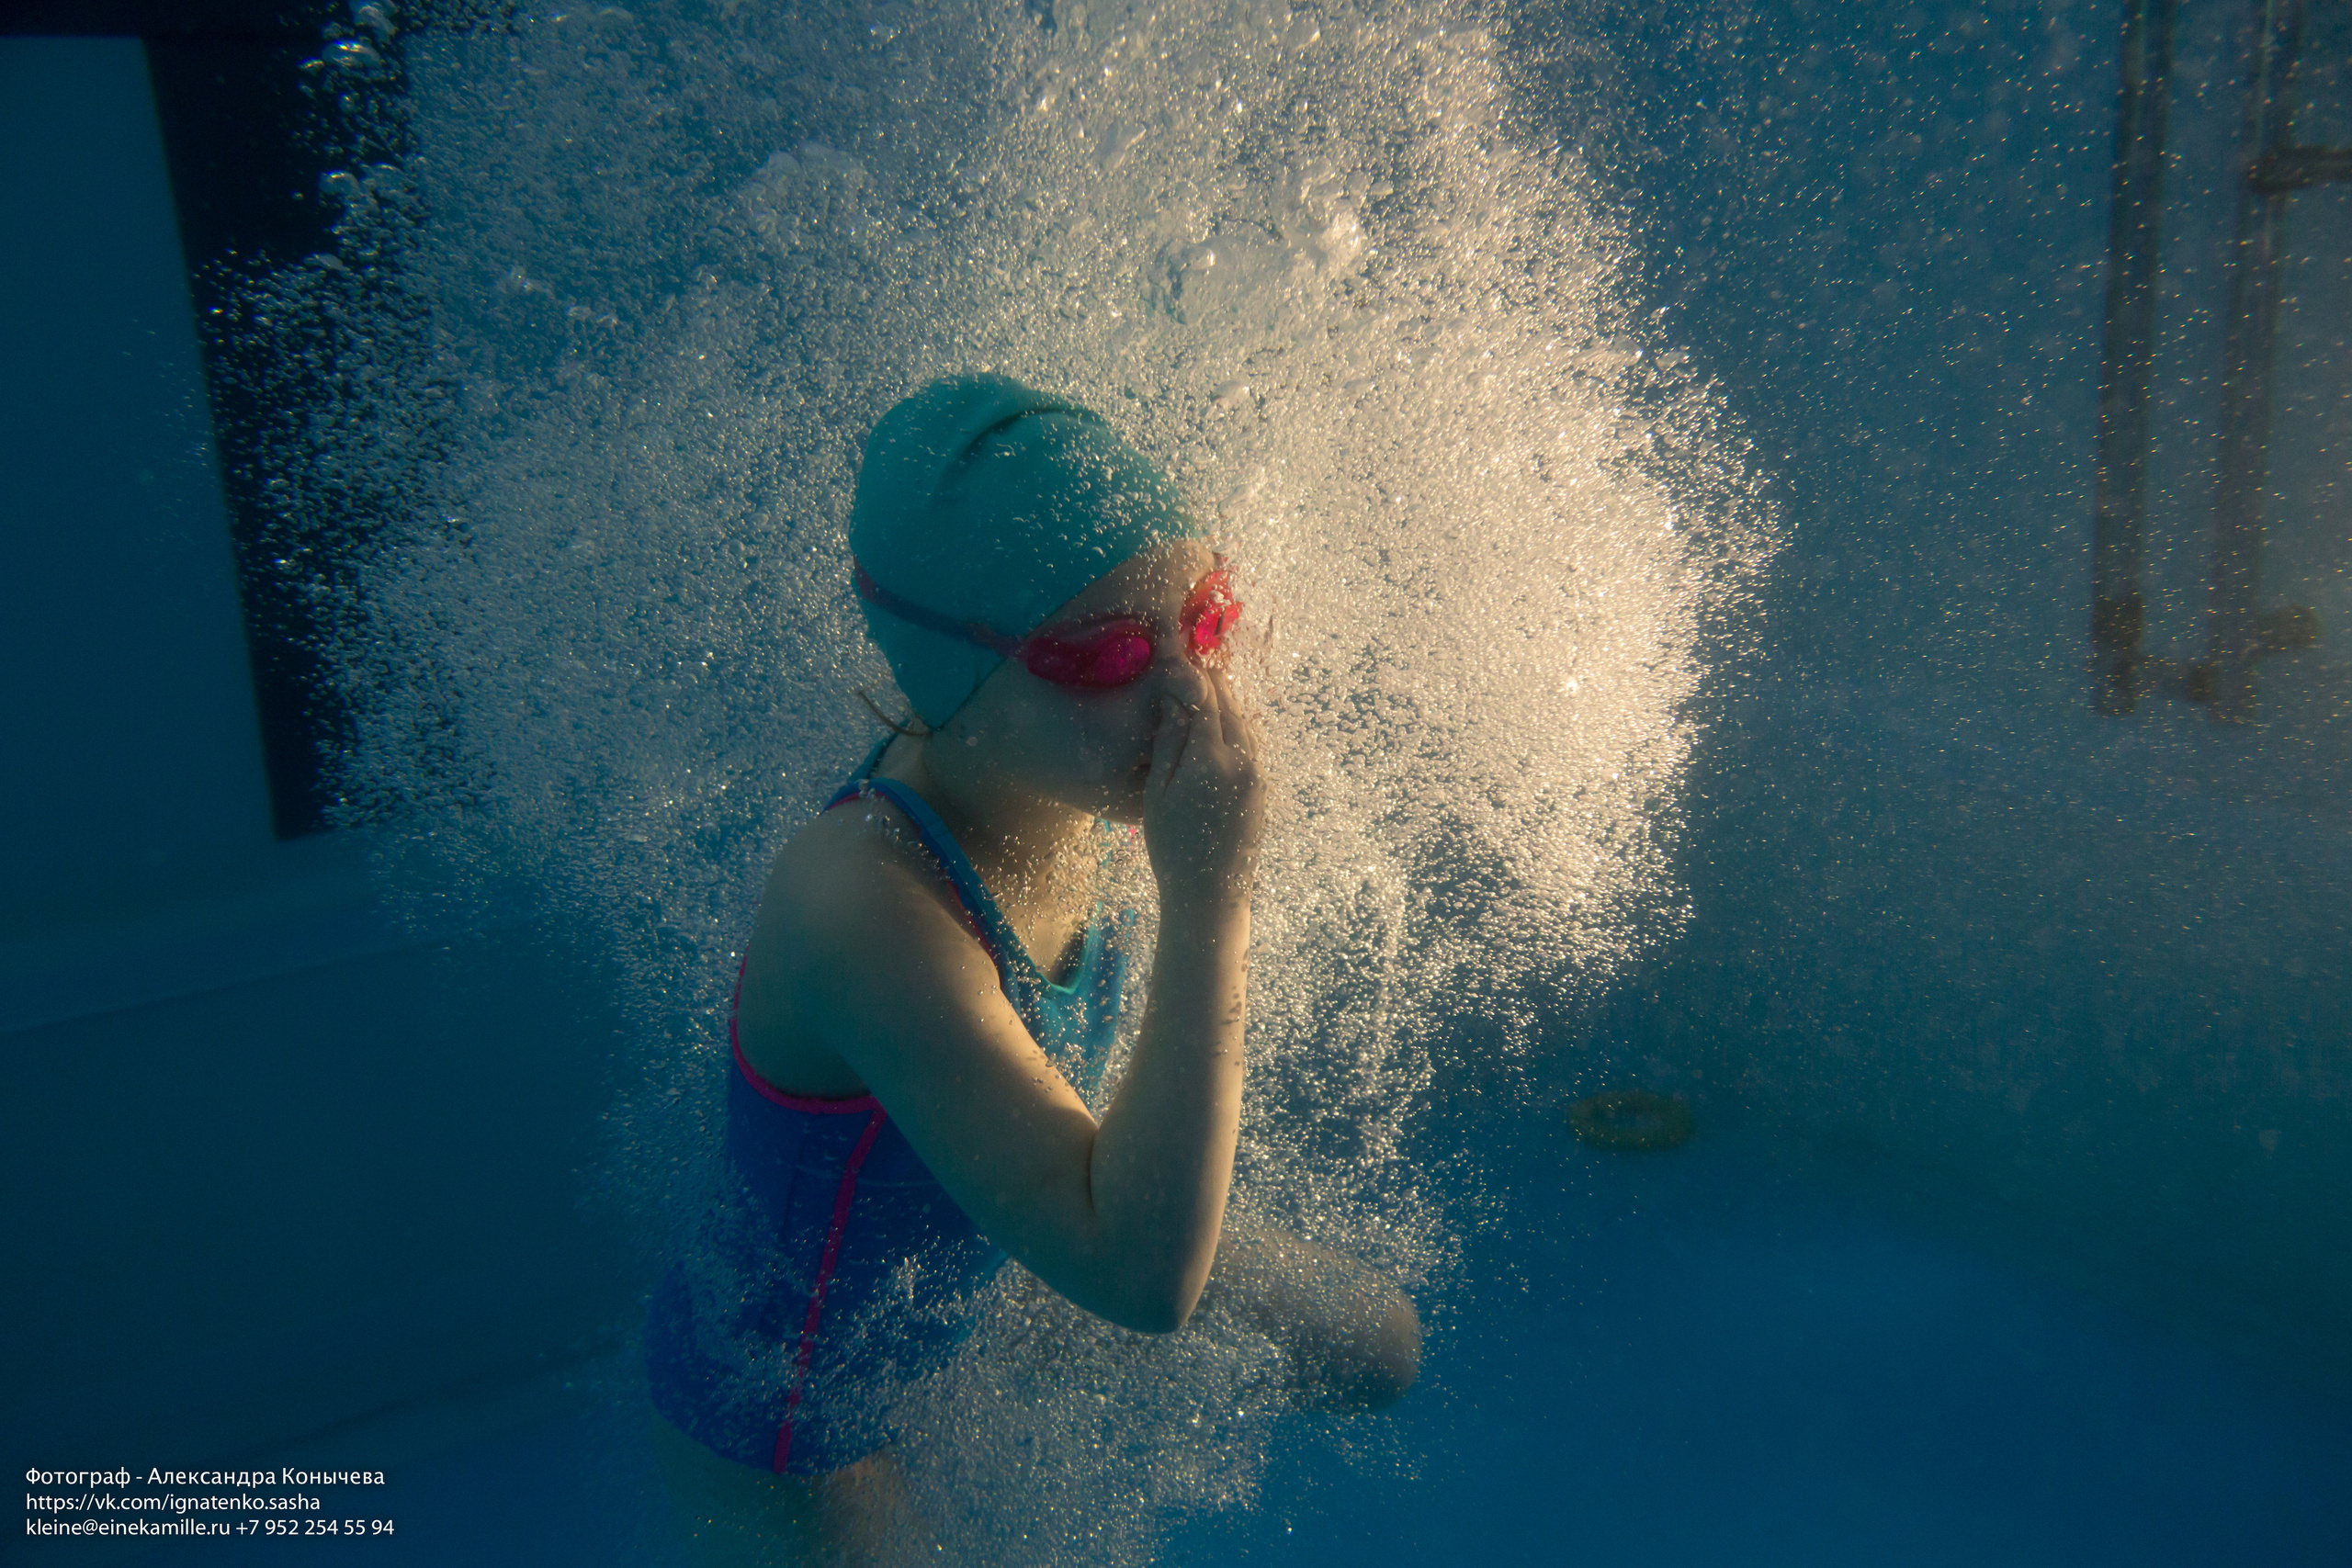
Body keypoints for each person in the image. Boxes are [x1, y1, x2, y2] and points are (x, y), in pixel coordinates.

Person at [645, 375, 1420, 1565]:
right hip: (798, 1423)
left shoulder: (1071, 760)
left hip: (999, 1253)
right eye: (1103, 653)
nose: (1185, 695)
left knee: (1378, 1347)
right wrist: (1212, 895)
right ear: (943, 682)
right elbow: (1143, 1280)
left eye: (1204, 620)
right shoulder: (860, 904)